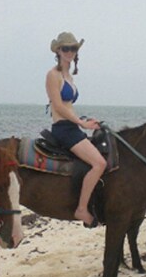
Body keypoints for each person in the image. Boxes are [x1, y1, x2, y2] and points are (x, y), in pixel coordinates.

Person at [45, 31, 106, 228]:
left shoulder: (69, 76)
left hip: (71, 125)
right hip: (63, 129)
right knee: (99, 164)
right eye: (65, 48)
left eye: (72, 48)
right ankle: (81, 209)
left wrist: (84, 119)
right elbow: (59, 106)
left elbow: (69, 106)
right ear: (58, 51)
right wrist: (81, 124)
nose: (69, 52)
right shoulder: (52, 75)